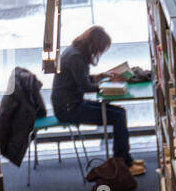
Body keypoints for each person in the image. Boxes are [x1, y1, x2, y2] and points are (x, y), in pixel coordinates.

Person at [51, 25, 144, 176]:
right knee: (118, 116)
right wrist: (111, 86)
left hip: (69, 104)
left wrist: (102, 76)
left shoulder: (73, 52)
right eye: (100, 49)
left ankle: (126, 159)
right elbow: (85, 86)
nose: (99, 53)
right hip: (69, 109)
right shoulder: (76, 57)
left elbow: (81, 80)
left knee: (120, 113)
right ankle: (122, 165)